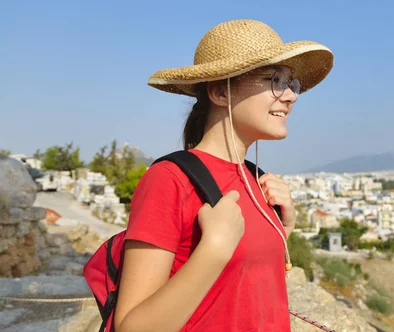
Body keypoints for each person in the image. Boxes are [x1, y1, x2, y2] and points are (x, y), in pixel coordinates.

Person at [113, 19, 334, 331]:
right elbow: (132, 327)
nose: (290, 96)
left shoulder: (257, 181)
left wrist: (283, 231)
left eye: (291, 83)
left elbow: (240, 291)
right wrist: (214, 249)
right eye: (274, 80)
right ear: (219, 92)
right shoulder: (169, 180)